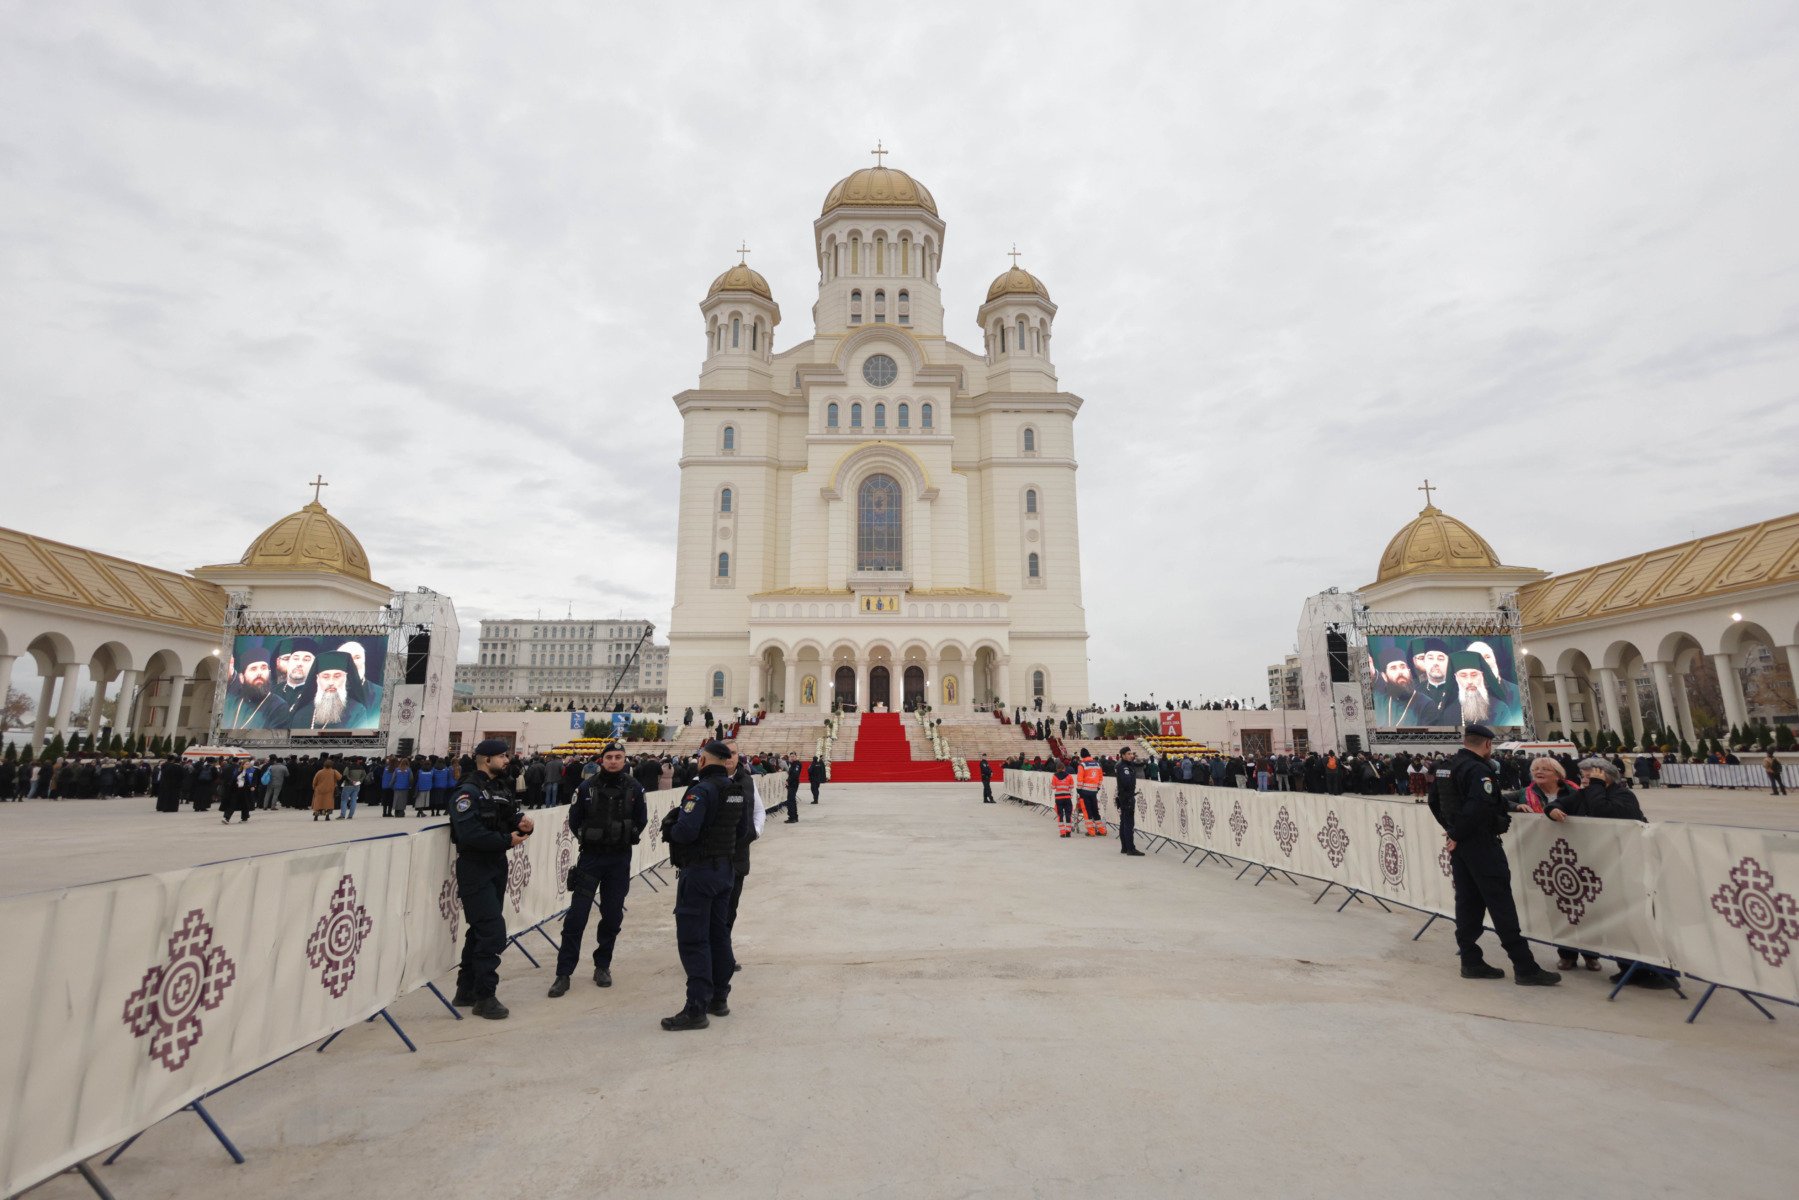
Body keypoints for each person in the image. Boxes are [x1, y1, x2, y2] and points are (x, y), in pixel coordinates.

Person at [1431, 724, 1559, 986]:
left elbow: (1435, 802)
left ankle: (1470, 960)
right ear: (1488, 744)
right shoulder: (1478, 769)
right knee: (1500, 903)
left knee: (1468, 903)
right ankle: (1524, 966)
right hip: (1480, 844)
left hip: (1462, 846)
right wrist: (1457, 833)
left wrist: (1453, 832)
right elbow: (1478, 807)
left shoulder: (1446, 766)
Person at [1545, 757, 1675, 989]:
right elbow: (1560, 804)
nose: (1585, 780)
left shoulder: (1623, 795)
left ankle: (1657, 971)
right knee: (1617, 921)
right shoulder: (1586, 794)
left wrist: (1596, 787)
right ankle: (1629, 967)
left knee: (1635, 918)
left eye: (1590, 776)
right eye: (1583, 776)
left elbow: (1603, 811)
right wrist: (1553, 809)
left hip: (1629, 865)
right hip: (1603, 867)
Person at [657, 740, 752, 1031]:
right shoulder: (736, 791)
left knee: (694, 939)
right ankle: (719, 998)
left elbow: (685, 832)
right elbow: (743, 831)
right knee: (719, 935)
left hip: (699, 872)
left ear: (702, 761)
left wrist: (671, 827)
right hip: (725, 871)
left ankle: (696, 1008)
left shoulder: (700, 791)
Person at [549, 743, 647, 998]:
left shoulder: (635, 788)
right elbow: (574, 820)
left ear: (625, 760)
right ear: (602, 760)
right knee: (576, 918)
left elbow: (642, 819)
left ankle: (602, 966)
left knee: (612, 916)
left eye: (618, 757)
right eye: (609, 757)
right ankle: (563, 973)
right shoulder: (586, 787)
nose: (613, 761)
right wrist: (590, 838)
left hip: (619, 860)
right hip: (591, 859)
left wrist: (625, 836)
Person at [450, 738, 532, 1019]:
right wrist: (506, 840)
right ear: (486, 759)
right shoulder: (467, 792)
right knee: (492, 931)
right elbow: (469, 834)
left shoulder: (499, 788)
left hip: (496, 864)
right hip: (475, 867)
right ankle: (485, 997)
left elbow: (507, 818)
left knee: (480, 930)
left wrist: (522, 825)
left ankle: (466, 990)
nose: (507, 760)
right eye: (502, 756)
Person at [1507, 756, 1599, 972]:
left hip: (1578, 854)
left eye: (1545, 769)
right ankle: (1567, 954)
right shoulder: (1525, 793)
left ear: (1558, 774)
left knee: (1586, 908)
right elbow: (1497, 801)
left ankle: (1591, 955)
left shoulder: (1575, 792)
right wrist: (1517, 805)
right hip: (1547, 858)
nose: (1538, 772)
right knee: (1557, 908)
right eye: (1535, 769)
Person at [221, 640, 281, 729]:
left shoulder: (278, 707)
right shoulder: (230, 703)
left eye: (263, 668)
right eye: (253, 669)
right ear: (241, 678)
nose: (259, 673)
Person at [1114, 747, 1144, 856]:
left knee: (1124, 822)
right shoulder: (1123, 766)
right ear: (1122, 755)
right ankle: (1130, 848)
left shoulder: (1127, 765)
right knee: (1128, 824)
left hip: (1125, 796)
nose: (1131, 755)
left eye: (1131, 753)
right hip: (1127, 797)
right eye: (1128, 754)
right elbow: (1127, 782)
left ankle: (1125, 847)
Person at [1075, 751, 1104, 836]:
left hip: (1084, 791)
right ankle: (1102, 830)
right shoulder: (1097, 764)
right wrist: (1098, 787)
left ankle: (1091, 831)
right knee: (1095, 811)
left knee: (1087, 811)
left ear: (1082, 756)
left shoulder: (1082, 765)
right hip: (1094, 791)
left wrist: (1079, 790)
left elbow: (1080, 779)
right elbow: (1100, 777)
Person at [310, 756, 341, 821]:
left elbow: (314, 781)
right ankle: (327, 817)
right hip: (330, 790)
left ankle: (316, 817)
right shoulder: (333, 771)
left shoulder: (319, 772)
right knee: (328, 805)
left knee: (318, 804)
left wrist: (314, 787)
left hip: (319, 790)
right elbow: (340, 777)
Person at [1050, 761, 1075, 837]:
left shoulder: (1054, 776)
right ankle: (1068, 832)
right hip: (1067, 797)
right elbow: (1072, 786)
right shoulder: (1069, 776)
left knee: (1060, 815)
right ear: (1064, 768)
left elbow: (1053, 787)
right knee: (1068, 814)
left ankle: (1062, 832)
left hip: (1058, 798)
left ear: (1057, 768)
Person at [782, 755, 802, 823]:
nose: (792, 758)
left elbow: (795, 774)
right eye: (791, 756)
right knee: (792, 801)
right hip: (792, 784)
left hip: (793, 784)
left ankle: (792, 818)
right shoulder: (792, 764)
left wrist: (788, 781)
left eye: (793, 756)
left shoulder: (797, 764)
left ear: (796, 757)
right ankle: (794, 817)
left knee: (791, 801)